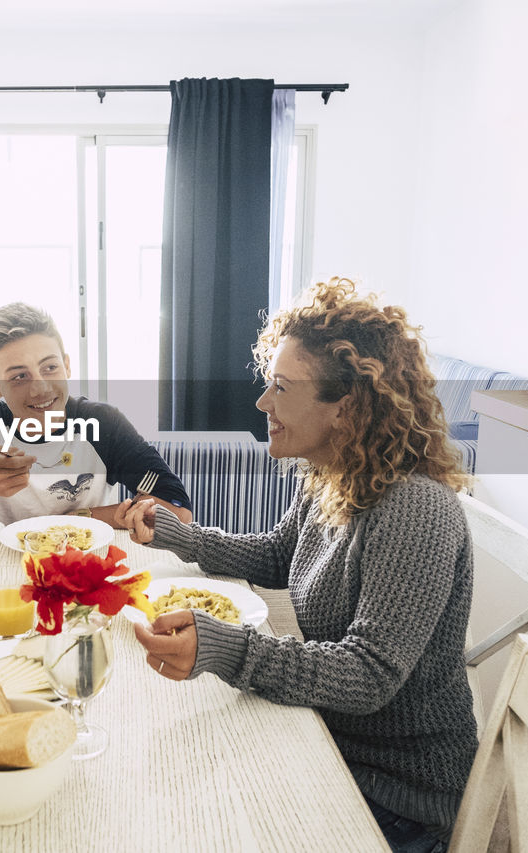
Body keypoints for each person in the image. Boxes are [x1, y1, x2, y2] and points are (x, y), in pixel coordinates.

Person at [127, 278, 477, 853]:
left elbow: (368, 677)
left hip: (395, 793)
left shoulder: (414, 509)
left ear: (346, 406)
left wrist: (228, 649)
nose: (263, 404)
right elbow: (274, 556)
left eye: (281, 388)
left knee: (197, 819)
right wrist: (176, 534)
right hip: (325, 732)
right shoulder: (334, 476)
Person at [0, 302, 193, 528]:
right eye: (19, 376)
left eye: (50, 367)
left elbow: (178, 509)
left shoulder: (103, 424)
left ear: (67, 366)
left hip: (87, 566)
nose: (41, 389)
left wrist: (78, 518)